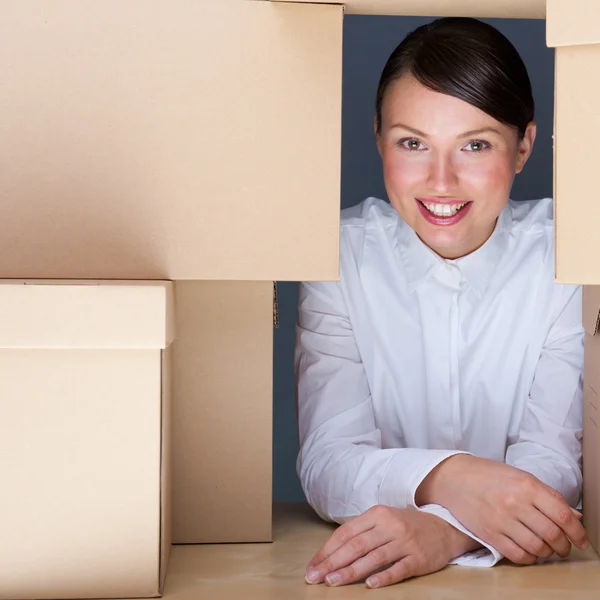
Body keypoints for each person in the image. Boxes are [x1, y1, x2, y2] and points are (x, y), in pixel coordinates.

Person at [294, 16, 591, 590]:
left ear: (525, 146)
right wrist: (452, 479)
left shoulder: (568, 255)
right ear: (378, 137)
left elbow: (555, 464)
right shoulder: (337, 258)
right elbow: (328, 464)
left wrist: (444, 531)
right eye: (412, 143)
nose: (441, 181)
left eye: (475, 145)